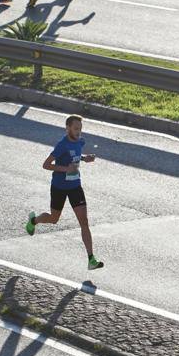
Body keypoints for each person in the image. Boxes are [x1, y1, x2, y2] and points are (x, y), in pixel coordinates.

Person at [25, 115, 104, 271]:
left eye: (80, 128)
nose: (78, 131)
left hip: (75, 186)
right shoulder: (62, 145)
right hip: (59, 187)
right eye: (75, 129)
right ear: (67, 128)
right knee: (54, 219)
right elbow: (46, 165)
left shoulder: (80, 142)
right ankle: (34, 221)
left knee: (84, 222)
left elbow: (74, 156)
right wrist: (65, 169)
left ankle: (91, 259)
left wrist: (84, 158)